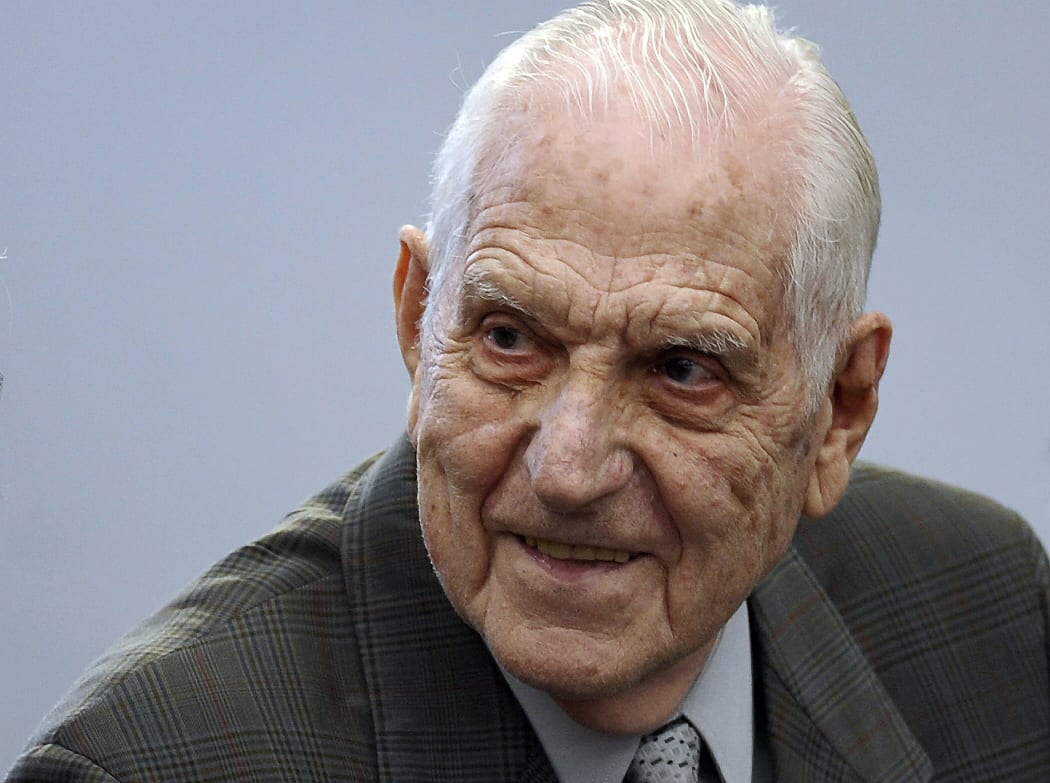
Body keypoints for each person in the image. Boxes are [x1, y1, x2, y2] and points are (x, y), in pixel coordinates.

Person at [8, 1, 1049, 781]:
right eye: (511, 339)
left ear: (840, 410)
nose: (566, 468)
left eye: (681, 368)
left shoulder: (986, 602)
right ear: (422, 321)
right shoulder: (144, 767)